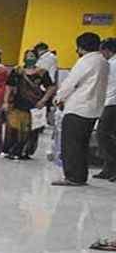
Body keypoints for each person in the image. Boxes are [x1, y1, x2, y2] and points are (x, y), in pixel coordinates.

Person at [53, 32, 111, 186]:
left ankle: (73, 177)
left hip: (78, 108)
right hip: (93, 109)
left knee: (71, 144)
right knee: (82, 144)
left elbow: (70, 82)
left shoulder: (86, 61)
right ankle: (80, 176)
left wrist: (59, 98)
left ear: (80, 47)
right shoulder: (103, 62)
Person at [3, 49, 56, 160]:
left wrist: (43, 100)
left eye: (32, 56)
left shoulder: (42, 72)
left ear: (37, 58)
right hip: (17, 104)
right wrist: (6, 101)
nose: (30, 58)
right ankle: (12, 151)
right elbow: (9, 86)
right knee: (14, 128)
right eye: (28, 56)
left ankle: (25, 152)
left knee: (31, 130)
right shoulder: (17, 71)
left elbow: (51, 87)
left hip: (34, 105)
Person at [94, 38, 116, 179]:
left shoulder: (111, 64)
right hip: (110, 102)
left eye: (101, 51)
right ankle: (109, 168)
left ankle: (112, 166)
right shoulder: (111, 63)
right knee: (109, 135)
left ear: (107, 50)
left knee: (102, 134)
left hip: (112, 103)